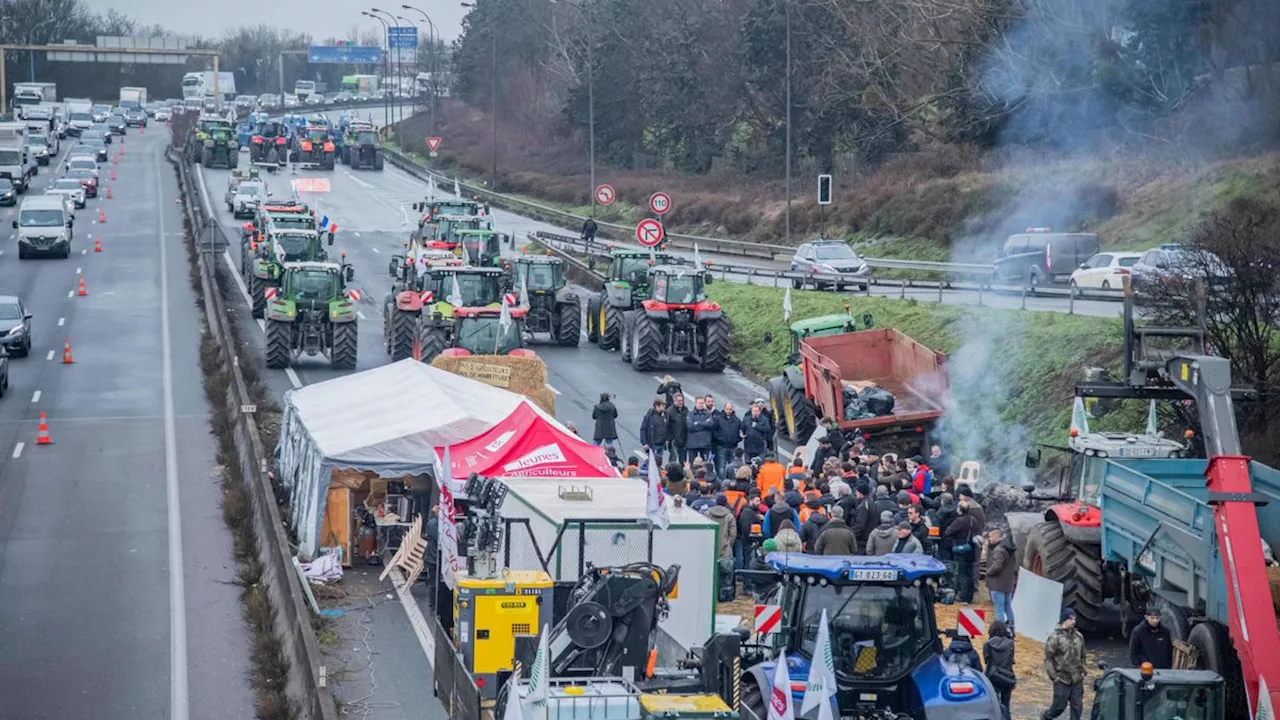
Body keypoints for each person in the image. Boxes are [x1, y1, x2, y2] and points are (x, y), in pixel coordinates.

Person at [1042, 608, 1086, 720]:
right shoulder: (1054, 638)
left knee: (1077, 707)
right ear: (1064, 620)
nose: (1074, 622)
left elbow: (1083, 655)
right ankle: (1046, 716)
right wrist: (1054, 677)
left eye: (1074, 619)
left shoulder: (1079, 637)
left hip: (1076, 678)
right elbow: (1048, 659)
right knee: (1059, 707)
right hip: (1062, 678)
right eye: (1071, 619)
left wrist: (1083, 670)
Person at [943, 503, 980, 602]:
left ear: (959, 509)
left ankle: (963, 596)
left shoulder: (959, 521)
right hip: (971, 549)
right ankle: (969, 595)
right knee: (969, 573)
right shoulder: (973, 520)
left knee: (961, 573)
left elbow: (948, 532)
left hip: (960, 549)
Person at [983, 620, 1017, 720]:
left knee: (995, 706)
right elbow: (1011, 659)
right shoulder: (1010, 644)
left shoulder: (987, 645)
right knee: (1006, 705)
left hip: (993, 677)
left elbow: (987, 661)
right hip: (1007, 677)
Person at [985, 528, 1018, 628]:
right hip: (1007, 584)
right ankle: (1011, 627)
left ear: (996, 537)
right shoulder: (1009, 549)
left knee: (999, 608)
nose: (989, 539)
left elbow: (997, 566)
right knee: (1008, 607)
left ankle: (1000, 629)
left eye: (990, 536)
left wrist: (988, 572)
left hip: (997, 584)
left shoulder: (998, 550)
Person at [1128, 604, 1174, 669]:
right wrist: (1138, 667)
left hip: (1162, 669)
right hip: (1145, 669)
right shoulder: (1138, 632)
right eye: (1152, 618)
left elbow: (1169, 652)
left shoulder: (1165, 632)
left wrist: (1168, 667)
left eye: (1157, 618)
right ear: (1146, 617)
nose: (1155, 621)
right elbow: (1133, 653)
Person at [711, 402, 742, 479]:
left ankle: (732, 483)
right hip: (722, 446)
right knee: (721, 466)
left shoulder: (737, 420)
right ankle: (722, 483)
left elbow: (741, 432)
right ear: (724, 409)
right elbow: (714, 431)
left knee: (732, 467)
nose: (729, 411)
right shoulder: (718, 419)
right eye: (727, 409)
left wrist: (737, 439)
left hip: (733, 447)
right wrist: (719, 439)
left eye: (730, 409)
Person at [705, 493, 738, 561]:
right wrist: (728, 544)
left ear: (716, 502)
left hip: (709, 546)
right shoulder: (729, 516)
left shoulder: (707, 513)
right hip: (725, 549)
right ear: (726, 503)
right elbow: (733, 533)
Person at [639, 398, 670, 465]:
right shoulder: (649, 416)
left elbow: (667, 428)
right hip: (653, 444)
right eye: (663, 405)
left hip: (661, 444)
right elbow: (643, 429)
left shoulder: (665, 415)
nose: (664, 407)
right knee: (652, 462)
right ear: (657, 406)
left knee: (659, 462)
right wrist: (644, 443)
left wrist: (667, 439)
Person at [686, 396, 716, 464]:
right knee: (692, 464)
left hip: (705, 444)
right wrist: (704, 425)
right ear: (695, 403)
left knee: (705, 464)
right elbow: (690, 426)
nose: (701, 405)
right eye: (700, 403)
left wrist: (697, 423)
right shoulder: (690, 414)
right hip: (693, 444)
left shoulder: (708, 414)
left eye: (702, 403)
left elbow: (710, 424)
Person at [666, 393, 690, 465]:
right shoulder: (669, 411)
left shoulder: (685, 410)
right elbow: (666, 426)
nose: (681, 402)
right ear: (674, 401)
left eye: (682, 400)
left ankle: (682, 475)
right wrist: (669, 439)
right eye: (679, 401)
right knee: (673, 460)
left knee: (683, 461)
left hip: (683, 440)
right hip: (674, 441)